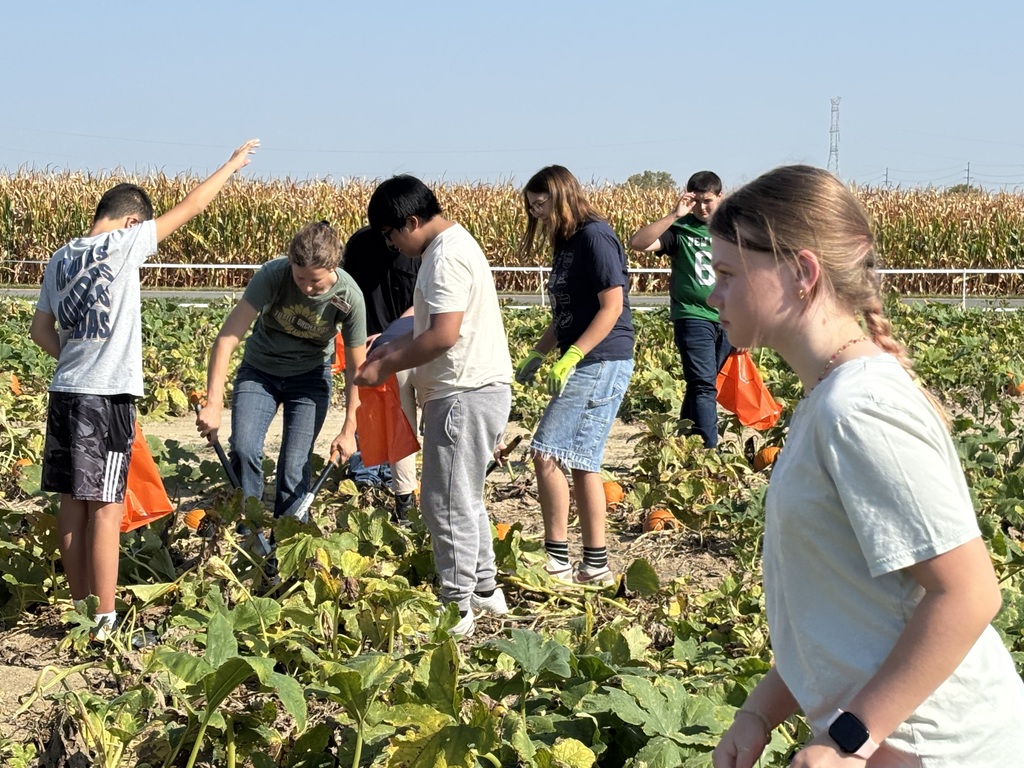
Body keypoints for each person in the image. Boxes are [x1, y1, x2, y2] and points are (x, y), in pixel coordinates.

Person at [707, 165, 1024, 768]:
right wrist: (761, 711)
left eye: (726, 273)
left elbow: (969, 593)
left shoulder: (859, 408)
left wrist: (851, 736)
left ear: (801, 273)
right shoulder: (829, 397)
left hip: (940, 746)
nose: (712, 295)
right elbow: (844, 609)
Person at [29, 139, 260, 638]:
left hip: (65, 391)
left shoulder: (60, 258)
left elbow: (40, 331)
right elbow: (194, 205)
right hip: (105, 396)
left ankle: (78, 610)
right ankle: (104, 620)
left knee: (72, 503)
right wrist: (231, 165)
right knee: (107, 507)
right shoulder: (124, 243)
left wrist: (73, 357)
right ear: (132, 222)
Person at [355, 175, 513, 638]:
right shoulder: (453, 245)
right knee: (466, 497)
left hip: (462, 392)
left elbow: (443, 336)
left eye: (390, 233)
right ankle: (484, 590)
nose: (390, 243)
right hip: (476, 388)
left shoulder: (444, 258)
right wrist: (386, 344)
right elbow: (428, 322)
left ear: (412, 220)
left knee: (444, 500)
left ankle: (456, 605)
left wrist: (384, 368)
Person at [195, 221, 367, 521]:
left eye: (316, 282)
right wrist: (213, 402)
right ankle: (250, 529)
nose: (307, 288)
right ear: (290, 263)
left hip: (310, 378)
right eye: (300, 278)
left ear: (334, 266)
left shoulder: (349, 297)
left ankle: (287, 540)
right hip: (260, 372)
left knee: (294, 465)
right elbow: (227, 339)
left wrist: (349, 428)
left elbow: (357, 367)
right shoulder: (273, 276)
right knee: (244, 448)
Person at [515, 166, 635, 588]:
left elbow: (611, 307)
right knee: (584, 462)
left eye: (542, 203)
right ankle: (596, 565)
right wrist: (541, 350)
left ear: (562, 194)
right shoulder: (567, 242)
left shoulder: (594, 237)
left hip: (602, 358)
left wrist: (574, 355)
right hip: (587, 357)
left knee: (546, 451)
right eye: (531, 206)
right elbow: (570, 314)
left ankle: (556, 559)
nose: (537, 212)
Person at [628, 171, 731, 447]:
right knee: (703, 385)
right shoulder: (680, 230)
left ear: (720, 197)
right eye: (695, 201)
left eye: (707, 201)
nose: (702, 207)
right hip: (692, 315)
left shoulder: (733, 230)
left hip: (728, 318)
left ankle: (685, 441)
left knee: (702, 384)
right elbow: (637, 243)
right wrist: (674, 215)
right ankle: (710, 449)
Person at [342, 226, 420, 522]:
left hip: (405, 341)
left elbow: (424, 298)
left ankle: (393, 474)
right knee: (367, 407)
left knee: (400, 412)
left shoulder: (418, 249)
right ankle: (366, 471)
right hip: (365, 338)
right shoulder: (361, 243)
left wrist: (394, 333)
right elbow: (347, 288)